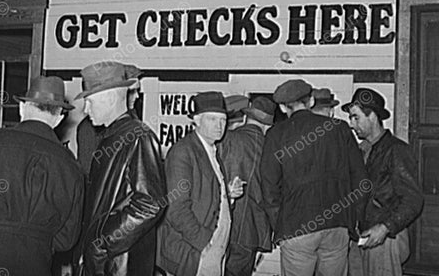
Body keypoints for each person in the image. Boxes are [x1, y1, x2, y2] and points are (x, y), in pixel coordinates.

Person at [0, 76, 84, 276]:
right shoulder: (71, 166)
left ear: (22, 108)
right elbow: (66, 239)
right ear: (60, 117)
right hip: (34, 266)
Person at [261, 79, 367, 276]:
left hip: (297, 226)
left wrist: (281, 225)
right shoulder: (340, 129)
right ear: (310, 101)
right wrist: (352, 220)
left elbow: (268, 186)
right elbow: (360, 179)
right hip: (337, 224)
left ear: (283, 108)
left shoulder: (276, 134)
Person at [74, 61, 166, 276]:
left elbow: (149, 204)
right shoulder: (114, 135)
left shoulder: (138, 136)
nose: (86, 110)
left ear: (108, 97)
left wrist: (102, 244)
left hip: (119, 264)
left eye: (89, 102)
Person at [157, 91, 246, 276]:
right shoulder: (183, 152)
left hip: (213, 247)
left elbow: (204, 194)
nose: (219, 126)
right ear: (196, 120)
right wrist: (204, 243)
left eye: (223, 120)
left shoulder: (211, 149)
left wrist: (227, 195)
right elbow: (176, 208)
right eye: (212, 119)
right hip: (195, 251)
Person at [342, 88, 424, 276]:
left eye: (356, 118)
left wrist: (386, 227)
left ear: (372, 116)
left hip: (384, 240)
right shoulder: (360, 151)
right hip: (360, 238)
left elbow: (413, 200)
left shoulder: (396, 150)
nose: (352, 124)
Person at [220, 96, 275, 276]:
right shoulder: (271, 147)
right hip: (251, 229)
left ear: (246, 118)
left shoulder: (226, 140)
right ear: (268, 126)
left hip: (221, 223)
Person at [76, 62, 142, 175]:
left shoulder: (131, 124)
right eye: (131, 92)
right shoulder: (90, 127)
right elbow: (88, 172)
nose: (136, 96)